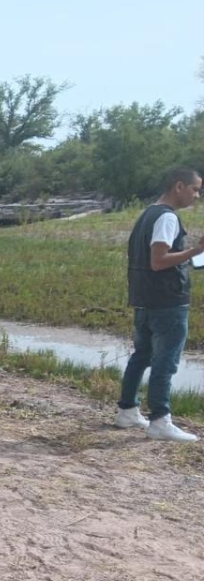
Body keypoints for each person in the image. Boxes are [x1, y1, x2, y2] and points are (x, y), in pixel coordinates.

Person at [116, 166, 204, 442]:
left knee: (141, 355)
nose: (197, 196)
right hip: (166, 301)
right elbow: (158, 261)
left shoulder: (148, 213)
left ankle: (127, 411)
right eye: (195, 189)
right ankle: (160, 420)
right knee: (165, 362)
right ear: (179, 186)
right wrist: (195, 251)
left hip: (144, 299)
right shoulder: (167, 218)